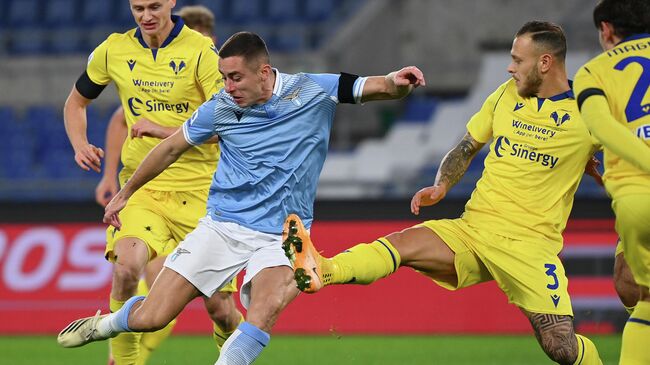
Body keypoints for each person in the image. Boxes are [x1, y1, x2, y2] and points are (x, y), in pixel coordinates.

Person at [57, 31, 425, 365]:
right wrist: (125, 193)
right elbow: (170, 149)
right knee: (152, 318)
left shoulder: (313, 89)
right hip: (221, 227)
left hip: (285, 234)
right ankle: (106, 325)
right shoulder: (221, 107)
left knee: (262, 313)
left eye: (235, 78)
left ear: (264, 73)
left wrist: (399, 82)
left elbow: (376, 86)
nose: (228, 87)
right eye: (224, 78)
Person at [285, 21, 603, 365]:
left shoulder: (589, 111)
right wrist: (442, 185)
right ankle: (323, 269)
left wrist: (606, 171)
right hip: (474, 229)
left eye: (518, 60)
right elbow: (467, 146)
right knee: (403, 243)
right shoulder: (505, 95)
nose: (510, 67)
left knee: (561, 347)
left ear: (545, 63)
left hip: (529, 244)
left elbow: (625, 155)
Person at [62, 1, 242, 364]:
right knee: (126, 268)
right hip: (144, 186)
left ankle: (232, 349)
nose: (146, 15)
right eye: (138, 7)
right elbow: (76, 102)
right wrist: (81, 144)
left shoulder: (201, 53)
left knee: (220, 308)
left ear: (171, 3)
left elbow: (230, 122)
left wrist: (162, 130)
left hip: (204, 193)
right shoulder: (114, 50)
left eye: (154, 6)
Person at [573, 0, 650, 363]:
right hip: (633, 198)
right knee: (630, 285)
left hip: (639, 196)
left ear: (606, 30)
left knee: (642, 297)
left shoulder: (594, 72)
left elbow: (602, 127)